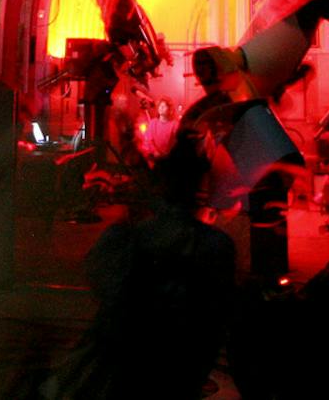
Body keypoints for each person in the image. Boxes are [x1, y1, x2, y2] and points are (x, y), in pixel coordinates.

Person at [45, 128, 236, 399]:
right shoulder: (217, 247)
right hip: (174, 377)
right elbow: (214, 325)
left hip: (118, 377)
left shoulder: (125, 238)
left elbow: (100, 286)